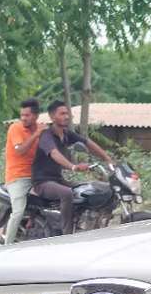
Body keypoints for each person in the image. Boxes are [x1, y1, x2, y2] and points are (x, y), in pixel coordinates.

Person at [32, 100, 113, 234]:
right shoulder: (46, 135)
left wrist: (107, 158)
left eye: (67, 113)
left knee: (90, 188)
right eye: (62, 114)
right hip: (42, 182)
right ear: (52, 117)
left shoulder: (66, 134)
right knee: (66, 193)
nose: (66, 116)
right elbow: (54, 153)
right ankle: (67, 233)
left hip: (58, 180)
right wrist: (73, 167)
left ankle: (86, 221)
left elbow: (87, 142)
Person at [3, 98, 44, 245]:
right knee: (18, 212)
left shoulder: (41, 129)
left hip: (36, 177)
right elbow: (20, 150)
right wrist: (37, 134)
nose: (23, 118)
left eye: (27, 115)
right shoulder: (16, 128)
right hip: (17, 178)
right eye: (22, 115)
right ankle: (7, 247)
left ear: (36, 116)